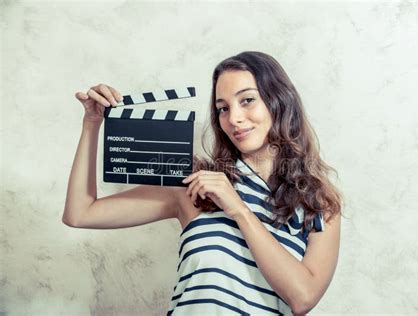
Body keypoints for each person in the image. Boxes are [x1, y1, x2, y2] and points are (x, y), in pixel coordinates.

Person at [63, 51, 343, 315]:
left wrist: (238, 209)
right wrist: (91, 123)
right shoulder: (195, 185)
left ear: (279, 101)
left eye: (247, 100)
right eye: (222, 108)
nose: (233, 118)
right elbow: (80, 213)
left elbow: (302, 299)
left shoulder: (319, 206)